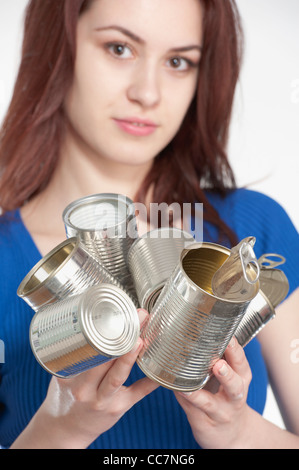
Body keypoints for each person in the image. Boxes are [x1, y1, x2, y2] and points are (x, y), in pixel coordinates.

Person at [0, 0, 298, 449]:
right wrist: (59, 432)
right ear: (58, 47)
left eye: (179, 61)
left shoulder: (255, 227)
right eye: (119, 48)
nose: (148, 92)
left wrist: (239, 435)